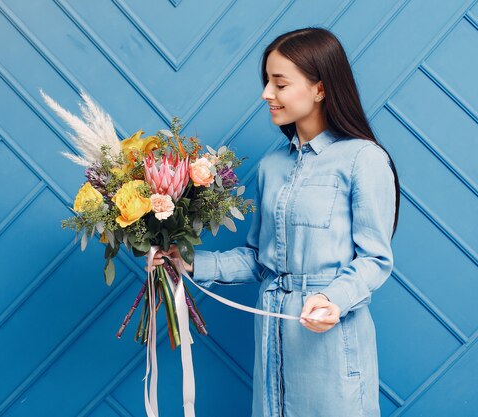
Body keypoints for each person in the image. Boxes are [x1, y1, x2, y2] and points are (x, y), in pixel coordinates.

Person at [146, 27, 400, 417]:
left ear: (320, 88)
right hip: (272, 335)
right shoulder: (271, 166)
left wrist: (333, 300)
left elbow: (375, 260)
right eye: (267, 82)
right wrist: (187, 261)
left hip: (327, 335)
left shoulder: (363, 160)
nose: (267, 93)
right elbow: (259, 258)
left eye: (279, 83)